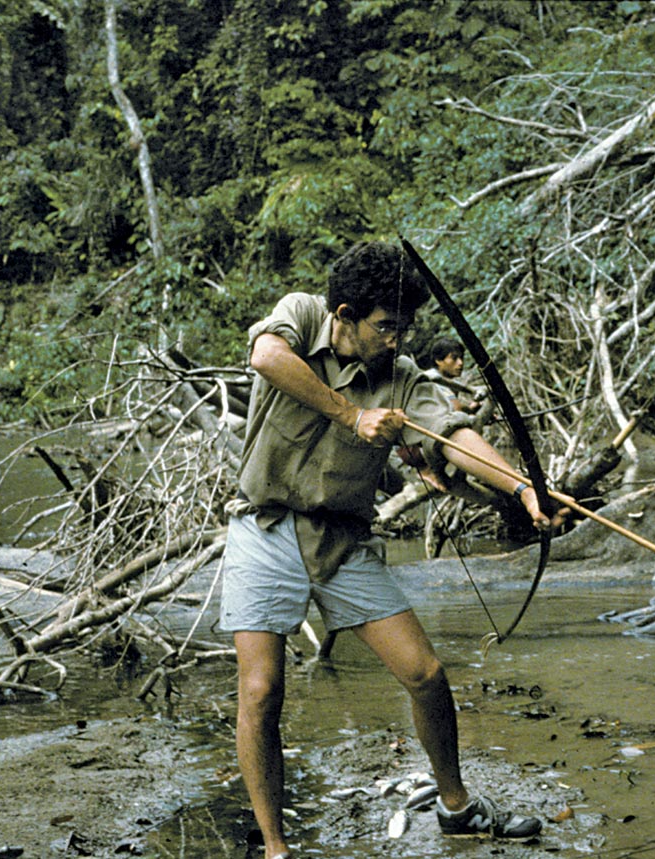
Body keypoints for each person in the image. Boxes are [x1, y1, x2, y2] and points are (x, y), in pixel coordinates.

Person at [219, 241, 559, 858]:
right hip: (264, 529)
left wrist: (523, 488)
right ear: (345, 314)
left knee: (425, 674)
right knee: (262, 689)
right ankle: (275, 848)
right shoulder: (300, 315)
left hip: (342, 540)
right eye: (385, 326)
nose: (397, 339)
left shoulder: (401, 378)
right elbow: (266, 356)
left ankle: (456, 807)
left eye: (405, 326)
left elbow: (452, 434)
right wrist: (352, 416)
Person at [425, 336, 483, 415]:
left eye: (461, 358)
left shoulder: (449, 381)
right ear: (438, 360)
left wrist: (471, 409)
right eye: (454, 358)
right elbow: (456, 409)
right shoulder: (432, 378)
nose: (460, 363)